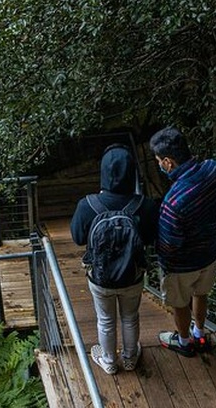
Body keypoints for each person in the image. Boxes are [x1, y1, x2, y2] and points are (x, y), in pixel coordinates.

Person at [71, 144, 159, 375]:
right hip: (133, 275)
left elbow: (78, 238)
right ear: (132, 173)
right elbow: (150, 238)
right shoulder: (145, 205)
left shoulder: (87, 205)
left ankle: (109, 361)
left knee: (105, 319)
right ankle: (130, 358)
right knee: (130, 317)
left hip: (100, 279)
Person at [151, 127, 216, 357]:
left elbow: (168, 245)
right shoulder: (214, 169)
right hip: (210, 253)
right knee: (201, 294)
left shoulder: (172, 203)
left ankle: (184, 342)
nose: (159, 166)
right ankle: (200, 333)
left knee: (180, 303)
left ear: (168, 162)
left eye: (159, 162)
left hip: (182, 265)